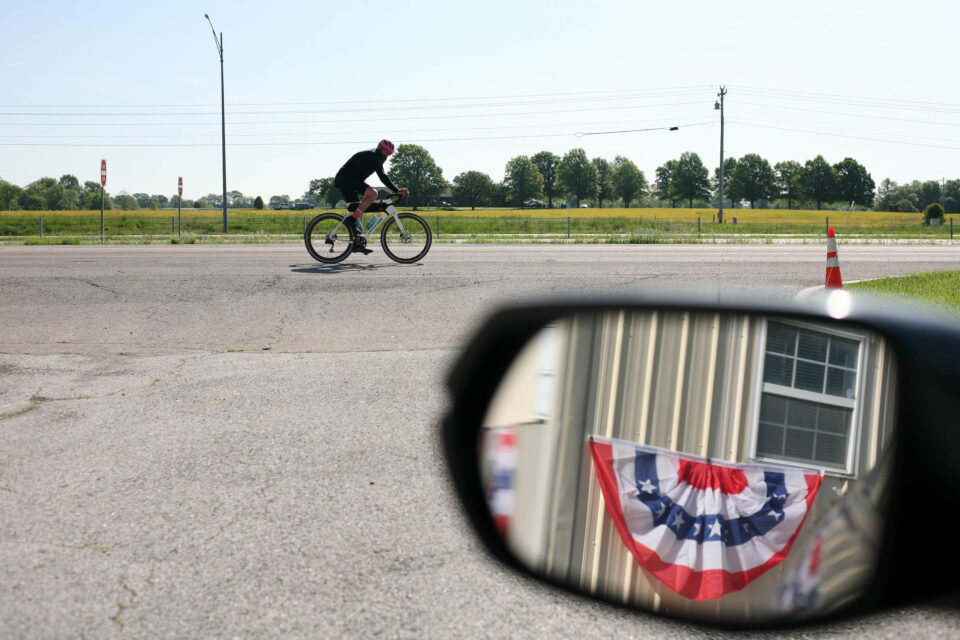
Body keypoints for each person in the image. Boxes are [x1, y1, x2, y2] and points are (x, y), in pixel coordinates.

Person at [334, 140, 410, 254]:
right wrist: (397, 190)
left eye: (389, 154)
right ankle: (351, 219)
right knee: (373, 194)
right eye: (385, 151)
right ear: (379, 147)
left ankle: (356, 243)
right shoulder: (373, 156)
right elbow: (382, 176)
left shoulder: (377, 158)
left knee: (360, 209)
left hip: (348, 180)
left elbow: (381, 174)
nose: (386, 155)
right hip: (346, 180)